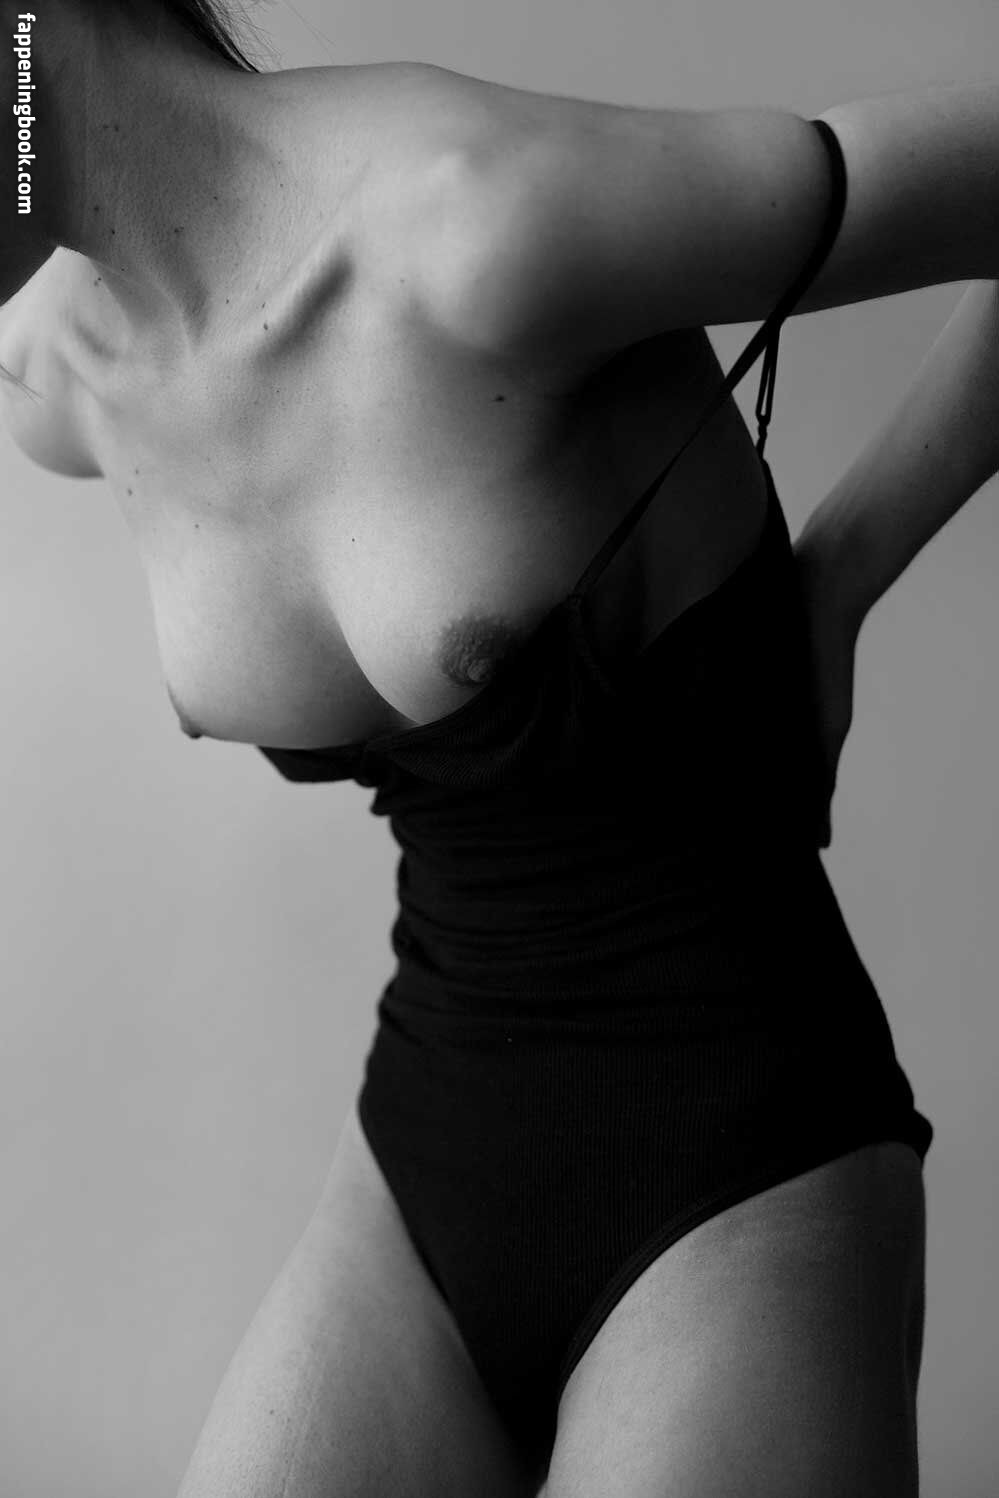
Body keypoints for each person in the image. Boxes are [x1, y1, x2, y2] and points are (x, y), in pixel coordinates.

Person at [3, 3, 998, 1494]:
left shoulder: (481, 224)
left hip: (741, 1154)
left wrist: (842, 575)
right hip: (427, 1156)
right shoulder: (54, 383)